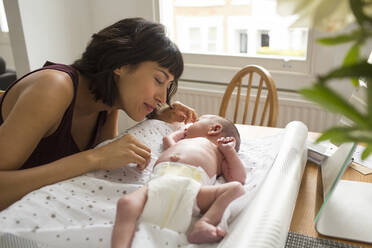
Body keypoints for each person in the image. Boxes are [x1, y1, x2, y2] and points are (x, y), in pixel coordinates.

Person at [0, 18, 198, 210]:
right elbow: (97, 159)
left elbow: (103, 167)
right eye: (158, 79)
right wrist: (93, 158)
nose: (163, 98)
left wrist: (159, 118)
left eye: (168, 86)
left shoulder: (107, 104)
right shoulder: (53, 87)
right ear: (122, 64)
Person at [111, 114, 247, 248]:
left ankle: (205, 222)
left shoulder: (219, 152)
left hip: (192, 188)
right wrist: (182, 132)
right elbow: (167, 139)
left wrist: (229, 152)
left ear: (214, 129)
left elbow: (238, 178)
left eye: (197, 121)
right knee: (126, 203)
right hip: (158, 184)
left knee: (236, 189)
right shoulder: (181, 143)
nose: (187, 127)